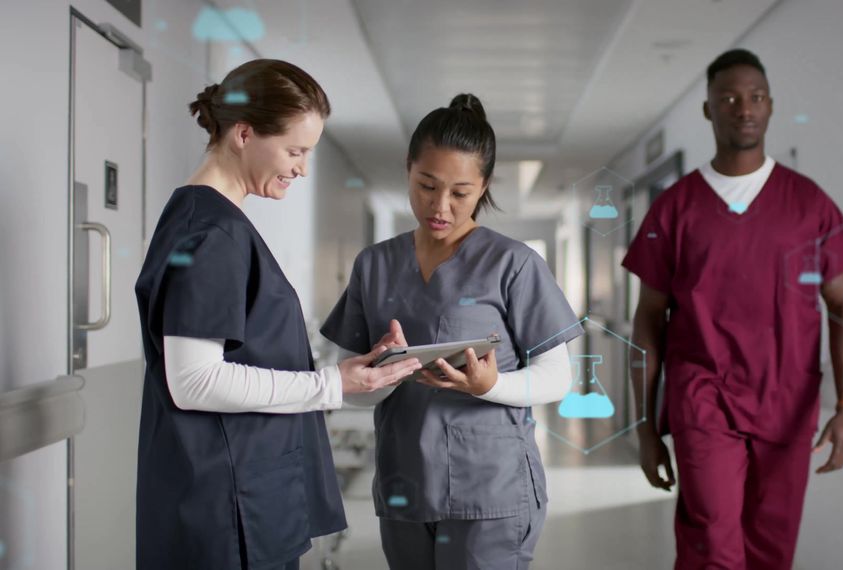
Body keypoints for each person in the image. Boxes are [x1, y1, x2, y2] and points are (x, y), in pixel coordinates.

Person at [133, 59, 421, 570]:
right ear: (244, 133)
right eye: (294, 150)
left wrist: (352, 373)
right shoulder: (215, 235)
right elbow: (194, 381)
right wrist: (332, 384)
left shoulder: (207, 221)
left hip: (234, 491)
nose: (301, 168)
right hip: (228, 505)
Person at [622, 49, 843, 570]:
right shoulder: (675, 208)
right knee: (712, 544)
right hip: (702, 399)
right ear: (709, 110)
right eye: (729, 98)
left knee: (771, 551)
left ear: (771, 107)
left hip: (787, 400)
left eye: (755, 97)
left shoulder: (808, 203)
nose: (744, 108)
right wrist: (644, 428)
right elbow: (648, 320)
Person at [321, 93, 583, 569]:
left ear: (484, 186)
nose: (440, 205)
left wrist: (491, 384)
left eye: (460, 193)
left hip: (491, 490)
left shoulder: (514, 264)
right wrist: (382, 375)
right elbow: (350, 389)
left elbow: (557, 377)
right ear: (408, 168)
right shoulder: (374, 265)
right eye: (426, 185)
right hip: (404, 485)